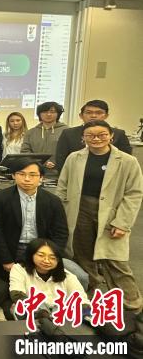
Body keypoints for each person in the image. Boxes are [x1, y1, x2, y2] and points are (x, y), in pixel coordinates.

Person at [56, 120, 143, 313]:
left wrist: (122, 223)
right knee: (83, 257)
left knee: (115, 261)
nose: (96, 139)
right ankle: (91, 303)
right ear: (83, 138)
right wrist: (61, 214)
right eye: (90, 135)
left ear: (111, 136)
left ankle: (133, 307)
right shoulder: (74, 158)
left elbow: (134, 194)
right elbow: (62, 186)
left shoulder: (127, 161)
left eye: (102, 135)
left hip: (112, 214)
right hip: (80, 211)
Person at [0, 158, 74, 282]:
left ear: (41, 178)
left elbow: (61, 232)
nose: (27, 179)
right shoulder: (0, 198)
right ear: (13, 175)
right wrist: (6, 259)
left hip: (42, 250)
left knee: (78, 277)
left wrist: (52, 256)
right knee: (14, 284)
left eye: (33, 175)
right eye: (21, 174)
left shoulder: (53, 201)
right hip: (13, 250)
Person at [10, 238, 90, 320]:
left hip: (61, 314)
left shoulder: (67, 275)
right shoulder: (19, 269)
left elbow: (82, 299)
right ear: (31, 255)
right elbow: (17, 294)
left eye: (52, 258)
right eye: (41, 255)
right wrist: (41, 313)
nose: (47, 261)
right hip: (35, 312)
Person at [55, 99, 132, 172]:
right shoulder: (68, 133)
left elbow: (126, 160)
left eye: (99, 113)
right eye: (89, 112)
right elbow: (61, 159)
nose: (93, 116)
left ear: (106, 116)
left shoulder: (118, 134)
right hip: (76, 175)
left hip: (110, 175)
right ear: (81, 115)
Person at [21, 101, 68, 178]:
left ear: (58, 114)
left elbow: (70, 152)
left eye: (52, 112)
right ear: (39, 114)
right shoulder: (31, 132)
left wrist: (57, 162)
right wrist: (42, 162)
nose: (48, 114)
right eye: (45, 112)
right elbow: (25, 152)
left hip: (61, 173)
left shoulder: (66, 131)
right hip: (35, 173)